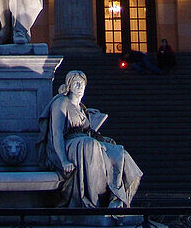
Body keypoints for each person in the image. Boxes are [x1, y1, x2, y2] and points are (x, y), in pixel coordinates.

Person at [38, 70, 143, 208]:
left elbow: (89, 132)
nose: (80, 87)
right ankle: (92, 201)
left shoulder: (82, 108)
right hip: (69, 145)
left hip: (86, 141)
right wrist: (63, 160)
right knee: (90, 145)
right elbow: (56, 133)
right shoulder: (61, 102)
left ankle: (116, 199)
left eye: (82, 84)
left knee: (120, 152)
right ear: (69, 85)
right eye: (76, 83)